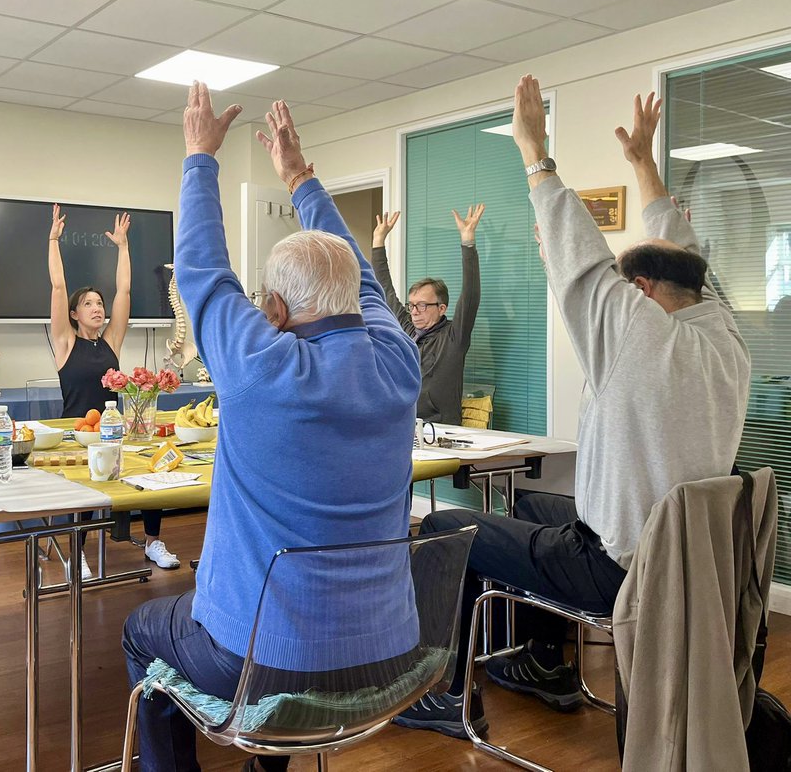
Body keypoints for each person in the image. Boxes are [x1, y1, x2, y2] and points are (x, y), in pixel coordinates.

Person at [398, 78, 751, 739]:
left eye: (625, 287)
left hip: (617, 566)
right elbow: (684, 256)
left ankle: (441, 696)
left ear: (640, 291)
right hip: (683, 557)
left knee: (446, 527)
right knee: (530, 503)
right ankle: (539, 661)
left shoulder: (639, 336)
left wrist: (536, 153)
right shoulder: (720, 335)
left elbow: (582, 266)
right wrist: (643, 166)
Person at [122, 86, 422, 772]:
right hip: (389, 657)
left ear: (277, 309)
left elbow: (198, 269)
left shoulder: (261, 366)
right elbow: (360, 279)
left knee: (143, 633)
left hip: (268, 662)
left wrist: (200, 157)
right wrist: (299, 176)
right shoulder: (397, 358)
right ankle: (269, 761)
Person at [47, 204, 179, 572]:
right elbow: (58, 286)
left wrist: (123, 247)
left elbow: (124, 289)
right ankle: (78, 557)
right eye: (88, 303)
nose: (97, 308)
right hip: (76, 434)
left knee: (149, 477)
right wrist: (53, 240)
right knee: (85, 496)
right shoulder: (64, 343)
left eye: (99, 303)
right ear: (74, 314)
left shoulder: (111, 343)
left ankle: (153, 542)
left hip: (113, 430)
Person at [371, 204, 483, 424]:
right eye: (411, 305)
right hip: (405, 427)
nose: (414, 312)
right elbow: (385, 288)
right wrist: (378, 243)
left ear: (442, 308)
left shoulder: (454, 337)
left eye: (422, 305)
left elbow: (471, 295)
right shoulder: (409, 330)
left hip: (442, 431)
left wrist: (468, 241)